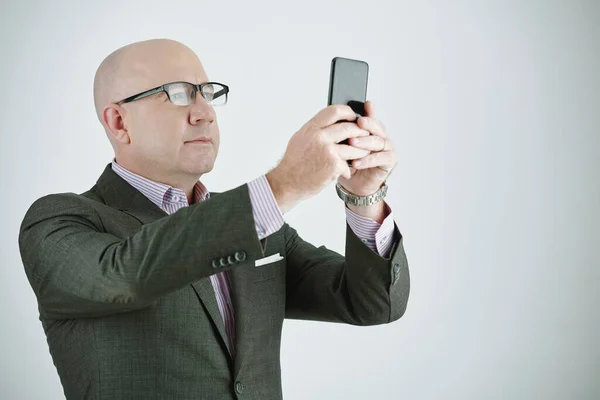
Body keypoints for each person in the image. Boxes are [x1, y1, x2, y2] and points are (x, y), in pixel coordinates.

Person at [18, 38, 410, 399]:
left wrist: (364, 196)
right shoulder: (59, 221)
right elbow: (126, 274)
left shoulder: (262, 226)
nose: (204, 113)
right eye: (176, 95)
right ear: (119, 122)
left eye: (207, 93)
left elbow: (371, 303)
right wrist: (283, 184)